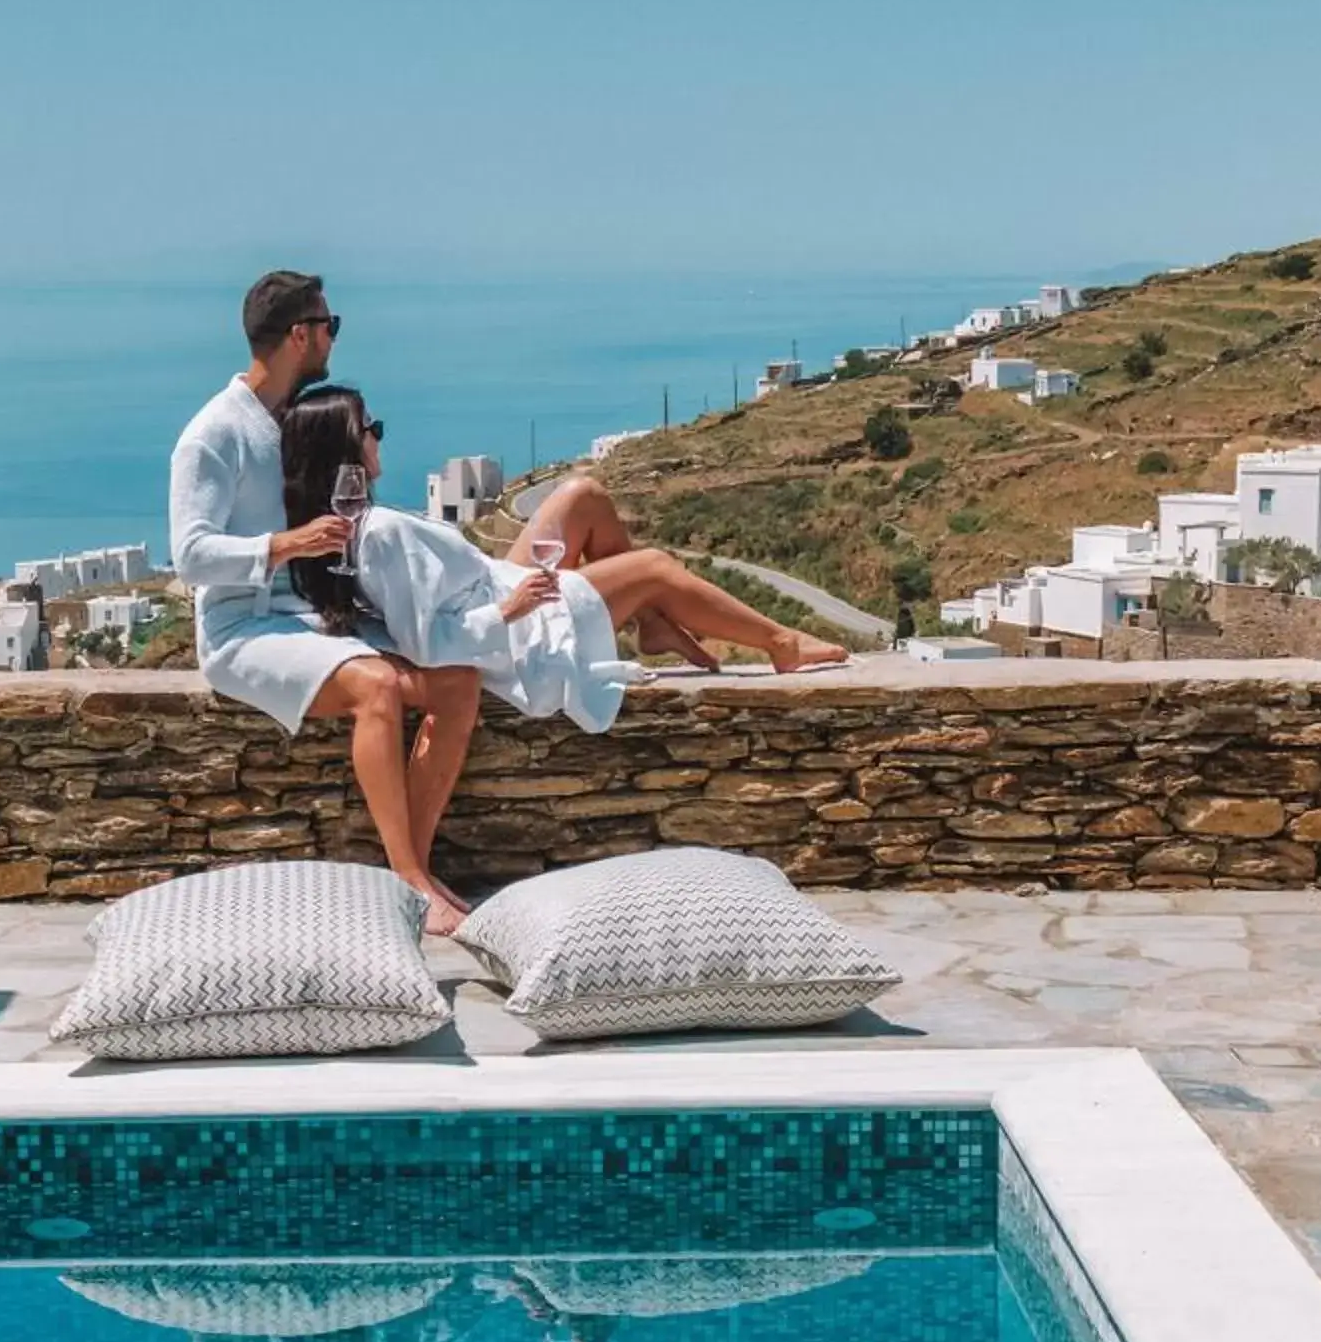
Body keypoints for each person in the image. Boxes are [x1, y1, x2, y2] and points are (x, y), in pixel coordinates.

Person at [169, 271, 480, 933]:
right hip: (242, 628)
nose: (335, 336)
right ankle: (406, 878)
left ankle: (415, 869)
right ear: (300, 335)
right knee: (377, 690)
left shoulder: (291, 416)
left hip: (310, 613)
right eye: (330, 325)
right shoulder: (213, 435)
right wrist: (287, 544)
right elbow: (190, 555)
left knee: (456, 681)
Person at [278, 385, 849, 723]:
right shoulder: (375, 533)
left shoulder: (355, 526)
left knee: (583, 496)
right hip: (519, 627)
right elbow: (428, 643)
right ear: (346, 447)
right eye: (370, 427)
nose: (379, 435)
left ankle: (653, 624)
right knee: (653, 567)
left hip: (497, 582)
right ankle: (783, 644)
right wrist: (510, 611)